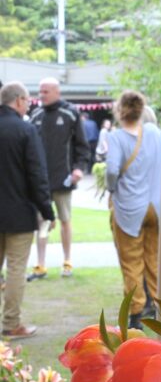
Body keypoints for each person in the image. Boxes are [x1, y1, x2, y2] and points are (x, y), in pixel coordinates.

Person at [0, 82, 55, 339]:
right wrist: (47, 210)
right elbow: (36, 174)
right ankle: (11, 323)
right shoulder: (25, 130)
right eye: (28, 100)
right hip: (19, 212)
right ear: (20, 100)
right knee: (16, 270)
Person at [105, 90, 161, 330]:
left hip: (129, 206)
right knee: (154, 259)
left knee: (131, 262)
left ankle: (136, 313)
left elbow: (111, 170)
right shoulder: (154, 133)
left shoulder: (117, 137)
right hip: (156, 206)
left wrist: (111, 189)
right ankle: (160, 308)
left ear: (120, 111)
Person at [28, 77, 89, 280]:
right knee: (41, 222)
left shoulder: (70, 113)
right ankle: (41, 265)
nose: (41, 95)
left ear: (56, 92)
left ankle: (67, 261)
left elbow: (82, 146)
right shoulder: (35, 115)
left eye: (45, 91)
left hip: (63, 179)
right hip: (40, 182)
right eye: (40, 91)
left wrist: (78, 169)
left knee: (64, 220)